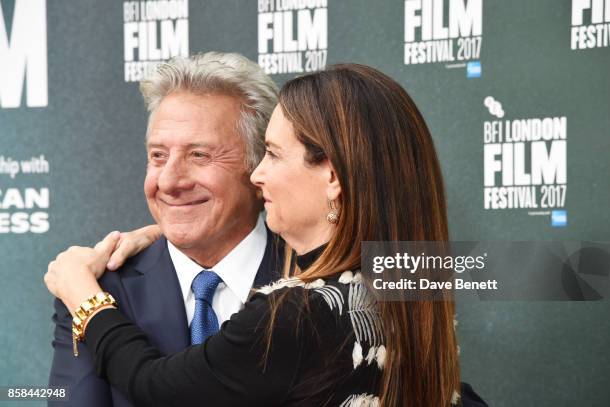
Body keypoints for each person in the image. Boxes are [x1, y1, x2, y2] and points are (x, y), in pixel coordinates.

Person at [45, 64, 488, 406]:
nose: (260, 175)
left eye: (200, 155)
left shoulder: (296, 310)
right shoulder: (409, 274)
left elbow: (154, 385)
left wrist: (83, 296)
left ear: (331, 175)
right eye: (157, 156)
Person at [48, 52, 284, 407]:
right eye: (158, 156)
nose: (170, 181)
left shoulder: (321, 278)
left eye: (199, 155)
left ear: (259, 167)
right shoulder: (94, 287)